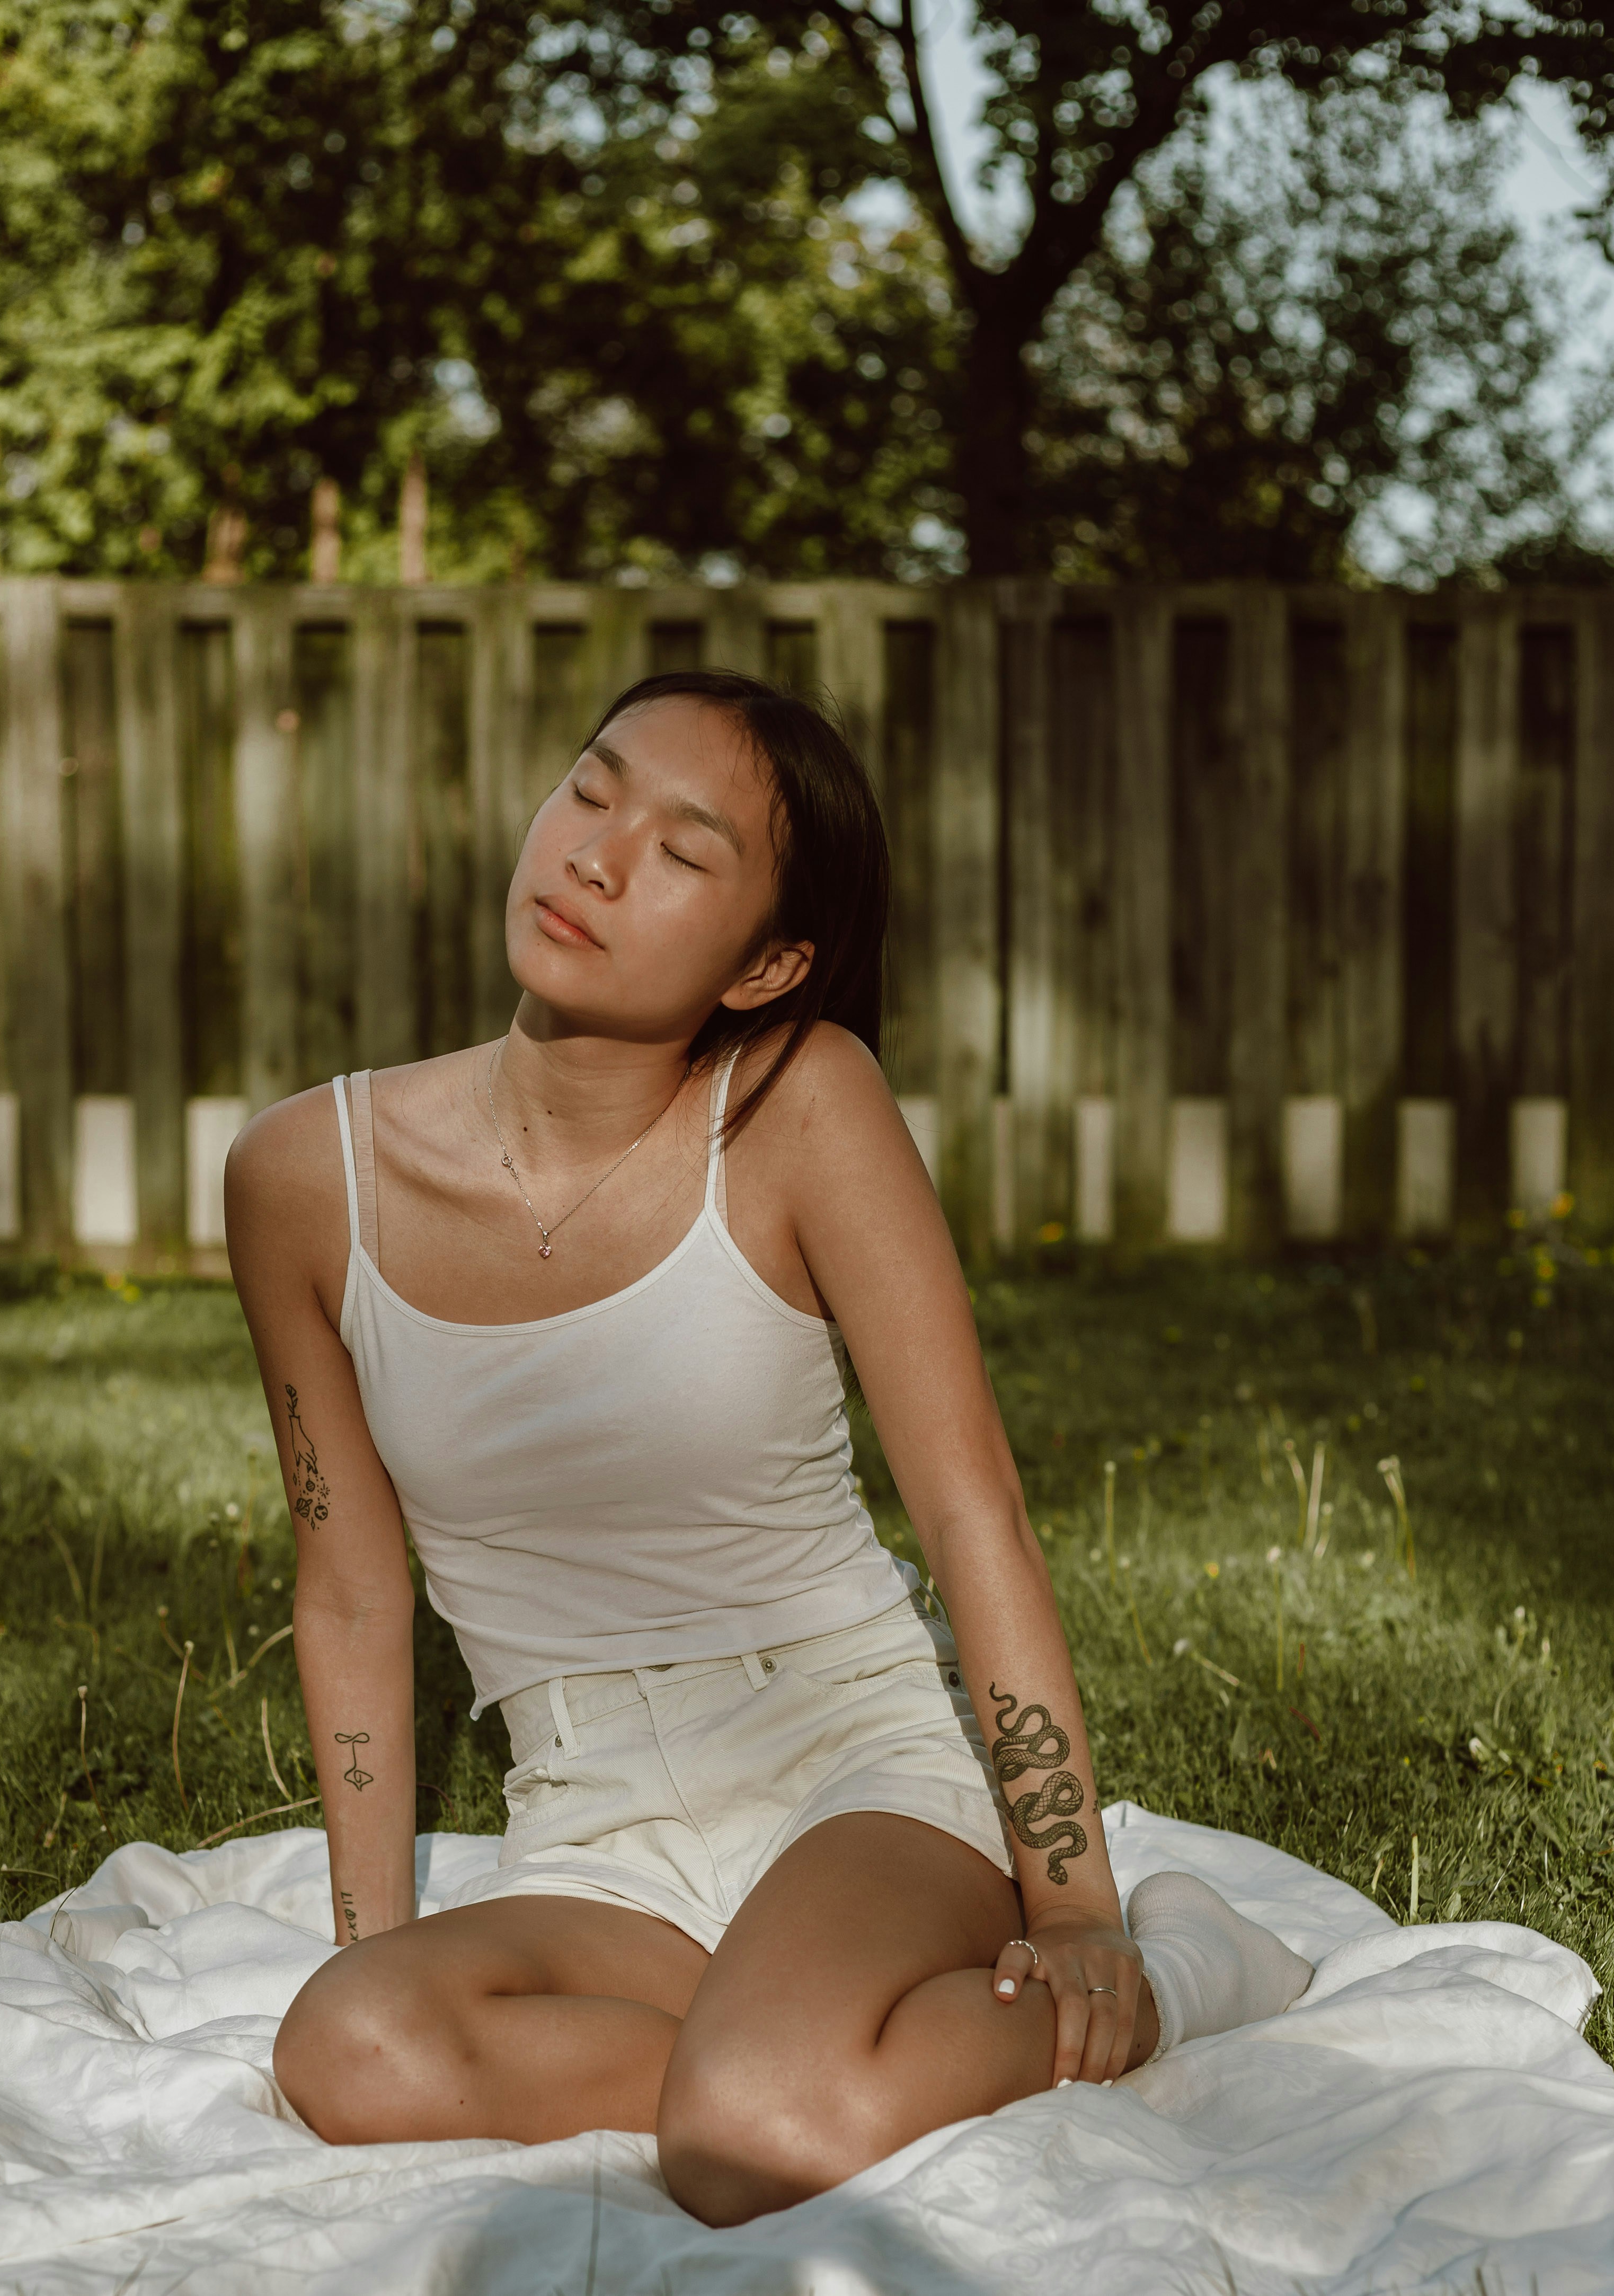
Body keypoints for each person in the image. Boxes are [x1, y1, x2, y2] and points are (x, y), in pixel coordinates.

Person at [225, 668, 1311, 2227]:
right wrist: (373, 1940)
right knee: (351, 2044)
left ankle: (1180, 1972)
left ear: (771, 961)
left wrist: (1074, 1907)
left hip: (841, 1759)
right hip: (588, 1817)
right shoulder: (300, 1175)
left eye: (684, 849)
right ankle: (808, 2028)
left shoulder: (804, 1105)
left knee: (750, 2132)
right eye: (591, 790)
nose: (597, 854)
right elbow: (348, 1592)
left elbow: (972, 1509)